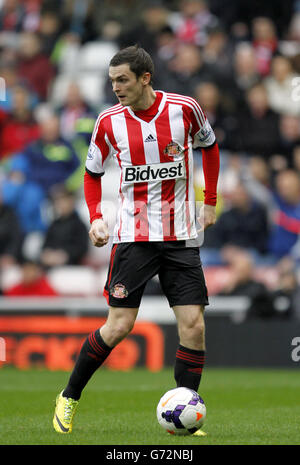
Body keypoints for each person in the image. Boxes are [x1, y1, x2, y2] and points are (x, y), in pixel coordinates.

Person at [53, 45, 220, 436]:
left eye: (123, 80)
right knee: (118, 326)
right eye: (112, 81)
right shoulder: (109, 121)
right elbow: (92, 173)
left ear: (146, 77)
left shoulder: (185, 109)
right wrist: (96, 218)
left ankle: (185, 415)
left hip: (180, 236)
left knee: (193, 326)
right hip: (133, 236)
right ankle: (68, 396)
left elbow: (209, 147)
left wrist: (208, 202)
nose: (116, 88)